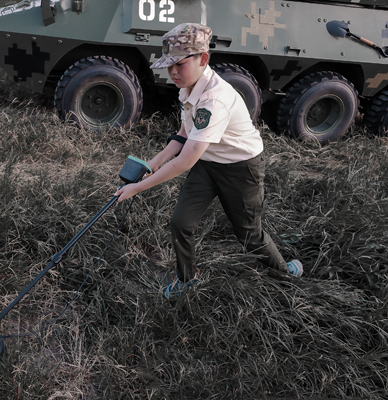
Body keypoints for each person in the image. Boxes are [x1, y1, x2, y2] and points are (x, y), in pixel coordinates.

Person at [114, 23, 303, 298]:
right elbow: (183, 133)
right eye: (169, 65)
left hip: (240, 168)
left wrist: (137, 188)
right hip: (207, 163)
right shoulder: (188, 87)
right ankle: (188, 279)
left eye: (180, 63)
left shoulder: (215, 100)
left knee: (249, 233)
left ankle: (285, 274)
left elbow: (185, 161)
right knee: (181, 222)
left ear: (203, 59)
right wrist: (151, 164)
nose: (173, 72)